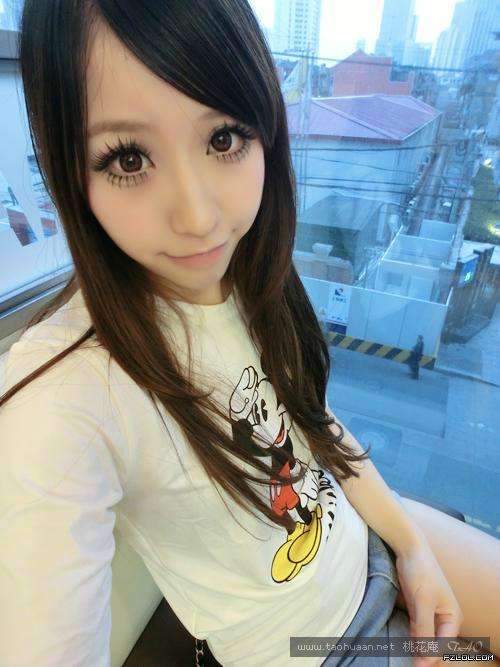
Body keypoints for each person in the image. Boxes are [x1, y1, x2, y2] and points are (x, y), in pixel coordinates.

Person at [1, 2, 499, 666]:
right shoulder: (61, 394)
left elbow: (313, 424)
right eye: (128, 157)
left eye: (223, 138)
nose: (199, 217)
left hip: (367, 543)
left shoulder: (243, 272)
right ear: (67, 166)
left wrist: (413, 548)